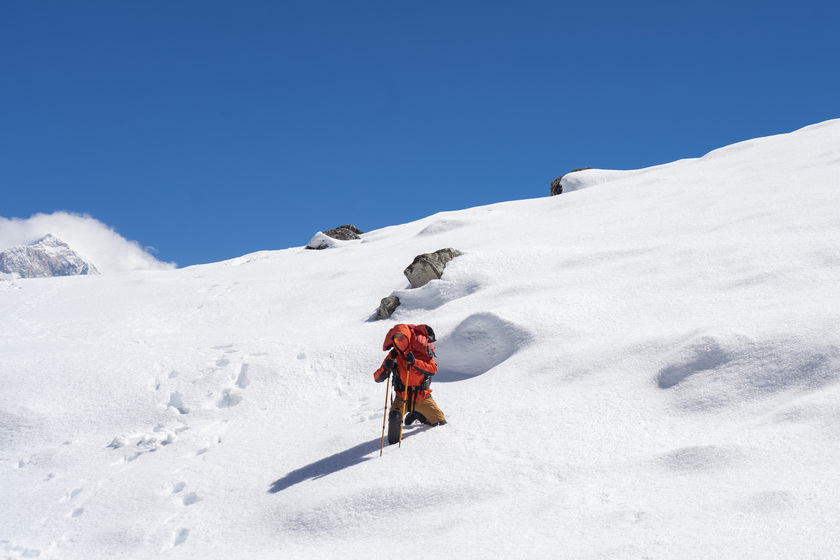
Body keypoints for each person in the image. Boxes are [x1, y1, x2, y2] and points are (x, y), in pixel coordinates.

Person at [373, 324, 446, 444]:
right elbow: (377, 378)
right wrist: (385, 369)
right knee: (394, 421)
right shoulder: (394, 355)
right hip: (402, 397)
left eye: (402, 338)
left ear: (408, 337)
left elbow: (433, 369)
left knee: (440, 423)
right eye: (397, 339)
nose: (400, 341)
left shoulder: (422, 350)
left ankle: (418, 413)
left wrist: (415, 362)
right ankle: (392, 449)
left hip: (422, 396)